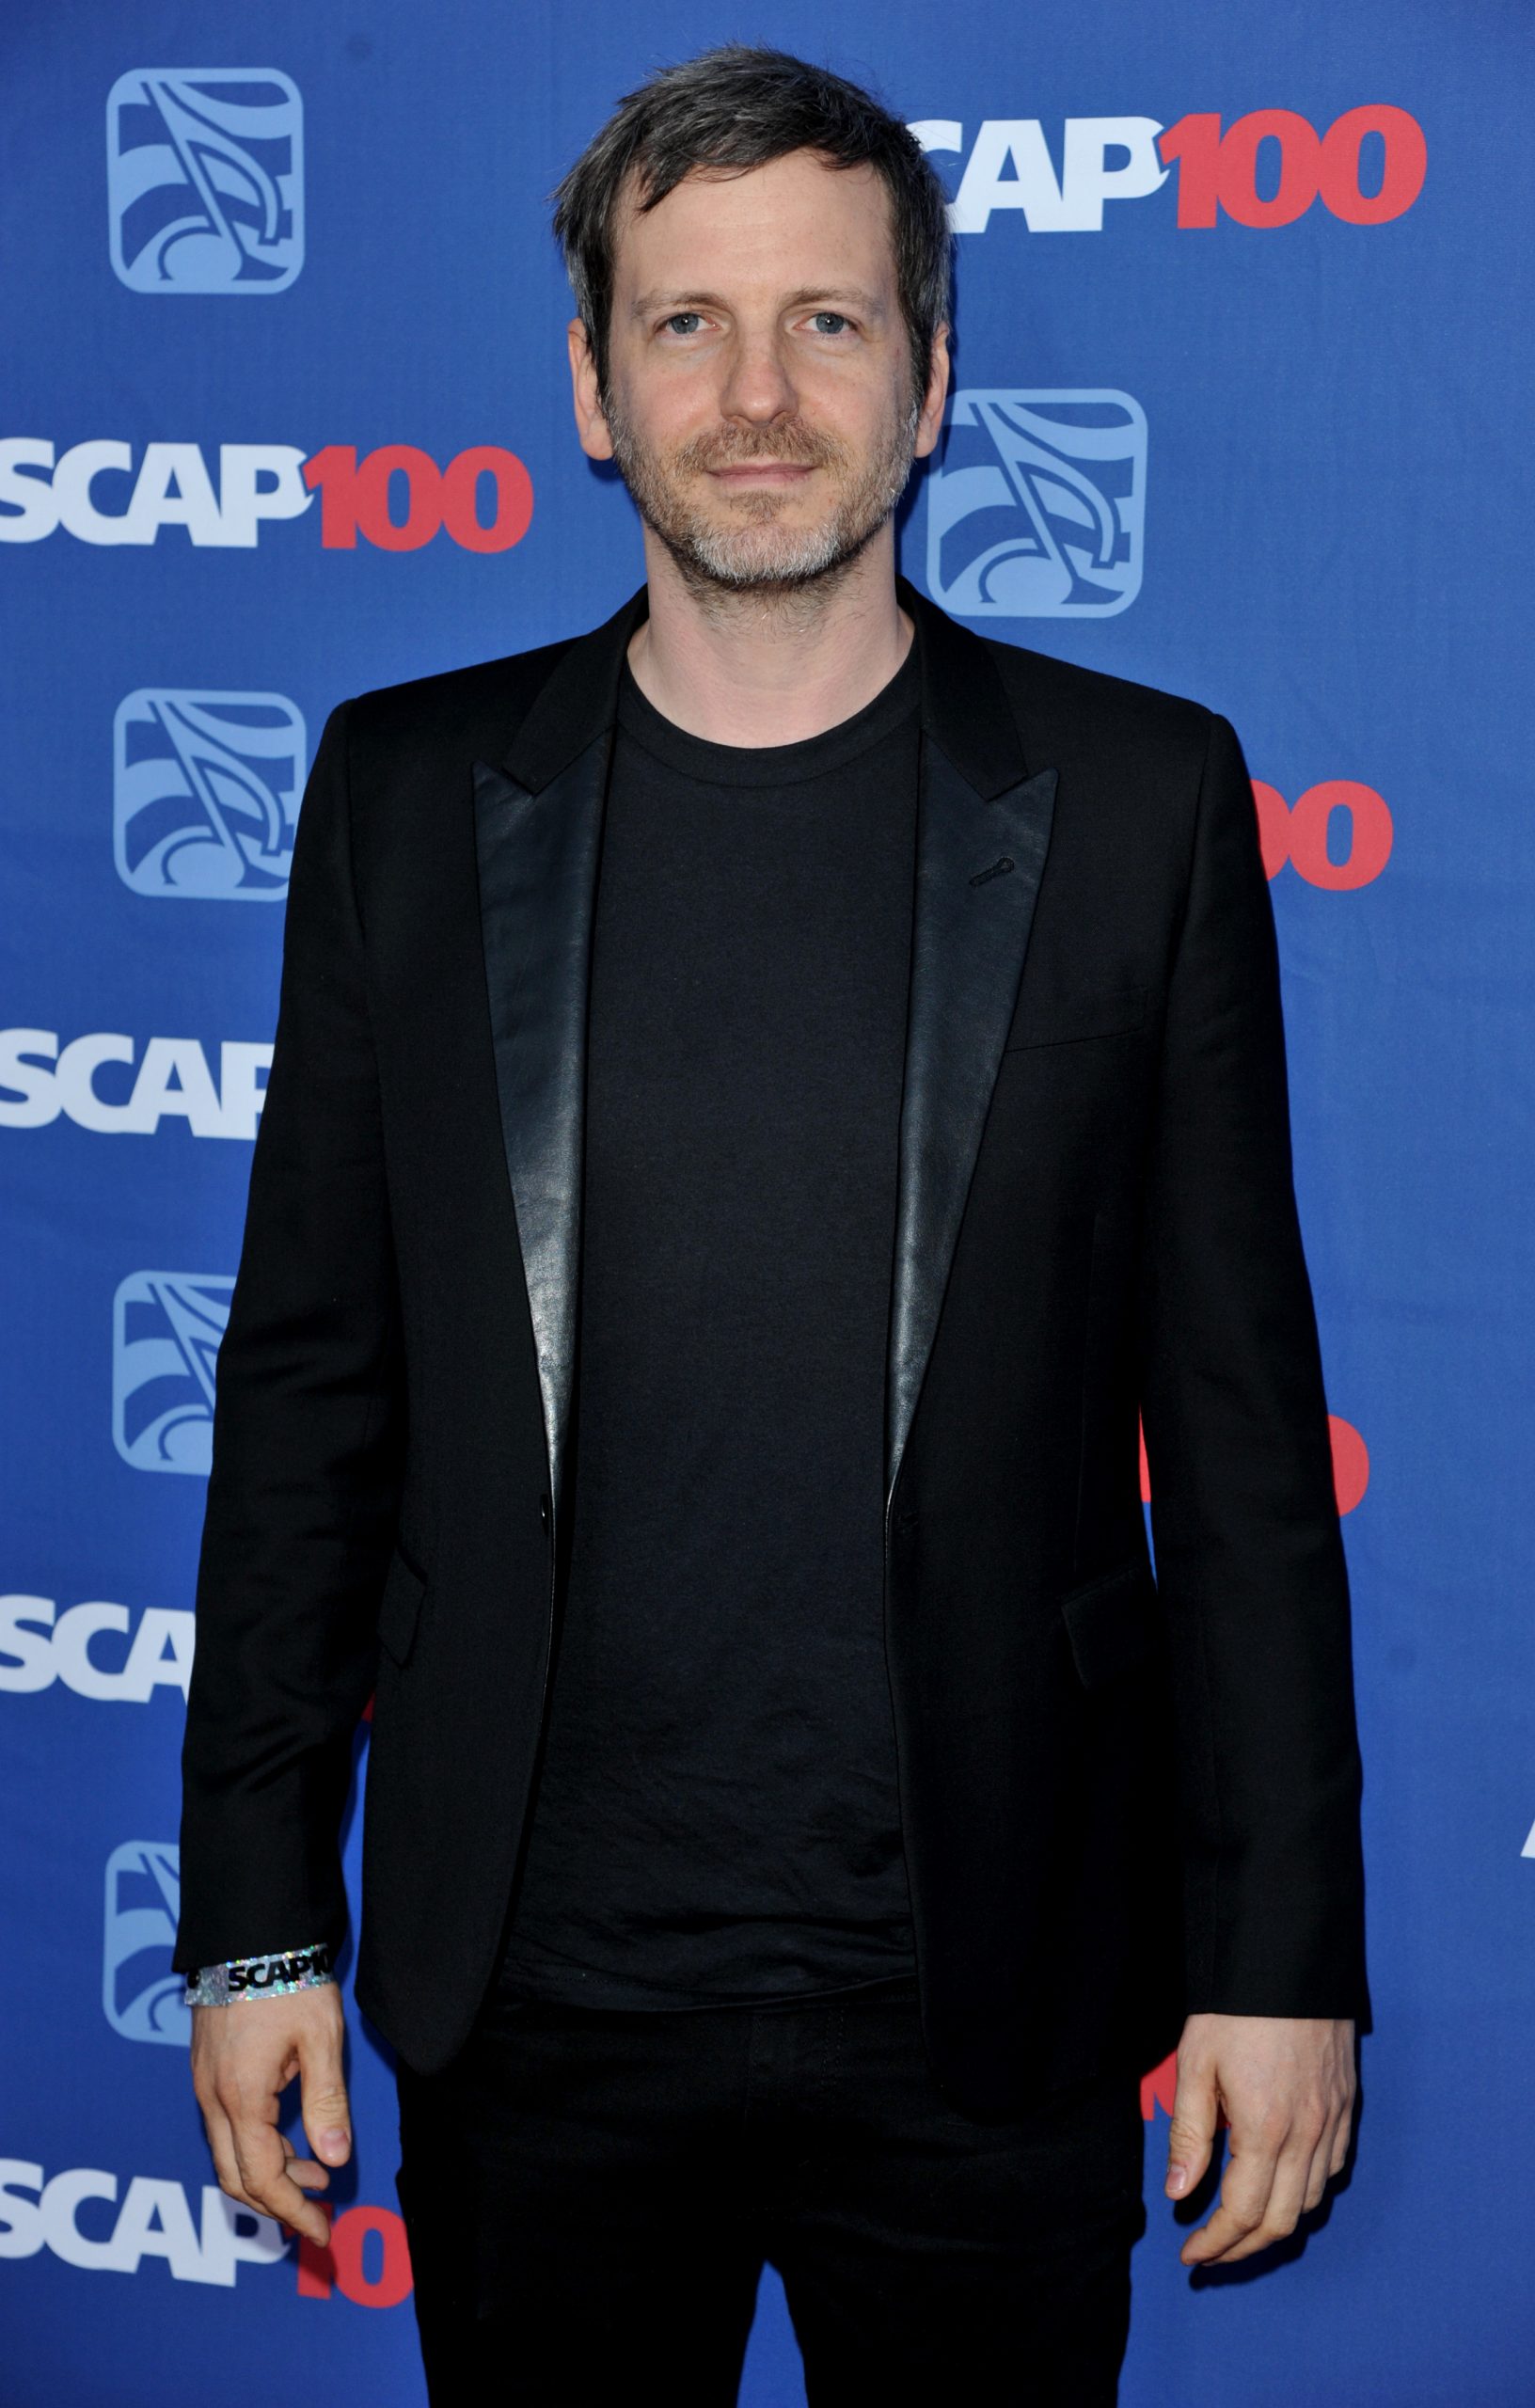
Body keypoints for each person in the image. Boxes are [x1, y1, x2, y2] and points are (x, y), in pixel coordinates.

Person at [175, 42, 1369, 2406]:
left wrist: (1283, 1955)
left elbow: (1242, 1441)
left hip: (989, 2009)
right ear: (591, 388)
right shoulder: (405, 798)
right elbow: (308, 1395)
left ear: (929, 381)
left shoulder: (1141, 804)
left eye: (825, 321)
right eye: (686, 323)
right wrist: (252, 1924)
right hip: (533, 2015)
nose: (754, 395)